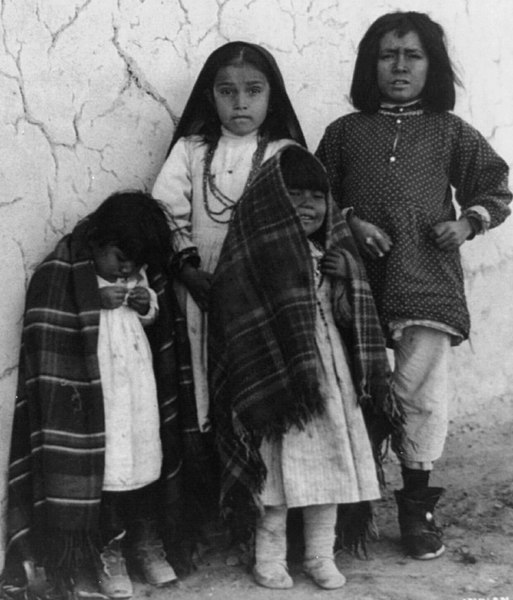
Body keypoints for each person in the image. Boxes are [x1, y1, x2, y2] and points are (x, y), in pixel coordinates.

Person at [316, 11, 512, 561]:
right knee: (352, 387)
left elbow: (497, 188)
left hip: (428, 283)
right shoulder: (344, 133)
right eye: (387, 55)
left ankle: (416, 506)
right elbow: (312, 196)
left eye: (413, 55)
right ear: (369, 64)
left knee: (418, 396)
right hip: (356, 284)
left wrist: (467, 222)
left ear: (433, 65)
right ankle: (349, 502)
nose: (399, 66)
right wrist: (350, 222)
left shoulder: (451, 132)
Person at [209, 145, 399, 590]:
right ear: (272, 200)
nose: (308, 205)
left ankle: (319, 555)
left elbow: (353, 322)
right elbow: (239, 318)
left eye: (317, 196)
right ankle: (269, 557)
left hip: (330, 381)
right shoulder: (255, 254)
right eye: (295, 194)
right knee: (275, 476)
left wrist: (347, 276)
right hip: (280, 389)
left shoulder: (335, 253)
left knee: (330, 470)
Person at [3, 192, 190, 599]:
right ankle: (110, 551)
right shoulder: (64, 269)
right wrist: (92, 299)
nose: (127, 270)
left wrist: (147, 304)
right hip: (93, 394)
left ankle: (144, 541)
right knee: (108, 472)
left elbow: (155, 321)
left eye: (136, 264)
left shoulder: (135, 274)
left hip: (136, 388)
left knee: (141, 462)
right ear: (98, 241)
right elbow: (48, 322)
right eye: (120, 259)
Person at [151, 41, 306, 437]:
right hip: (200, 283)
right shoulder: (191, 151)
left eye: (253, 91)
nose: (240, 102)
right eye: (227, 91)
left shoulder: (283, 153)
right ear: (210, 96)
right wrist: (186, 270)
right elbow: (165, 212)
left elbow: (301, 224)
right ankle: (211, 473)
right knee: (204, 376)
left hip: (262, 287)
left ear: (273, 97)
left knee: (257, 374)